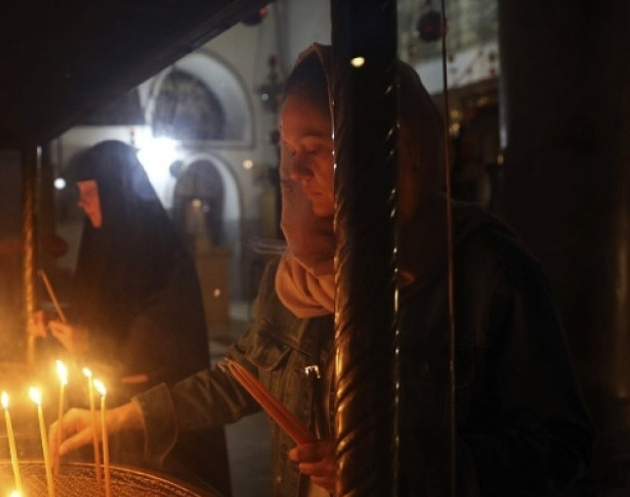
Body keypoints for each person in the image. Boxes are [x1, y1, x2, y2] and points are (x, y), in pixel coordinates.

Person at [52, 45, 595, 496]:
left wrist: (401, 465)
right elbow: (243, 376)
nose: (293, 170)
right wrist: (122, 419)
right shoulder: (293, 277)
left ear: (390, 152)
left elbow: (558, 445)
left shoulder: (485, 277)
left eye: (315, 149)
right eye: (288, 150)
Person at [35, 140, 231, 494]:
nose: (82, 203)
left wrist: (88, 341)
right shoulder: (98, 246)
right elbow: (93, 313)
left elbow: (163, 348)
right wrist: (55, 322)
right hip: (100, 411)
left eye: (90, 193)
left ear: (117, 194)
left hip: (154, 430)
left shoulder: (164, 256)